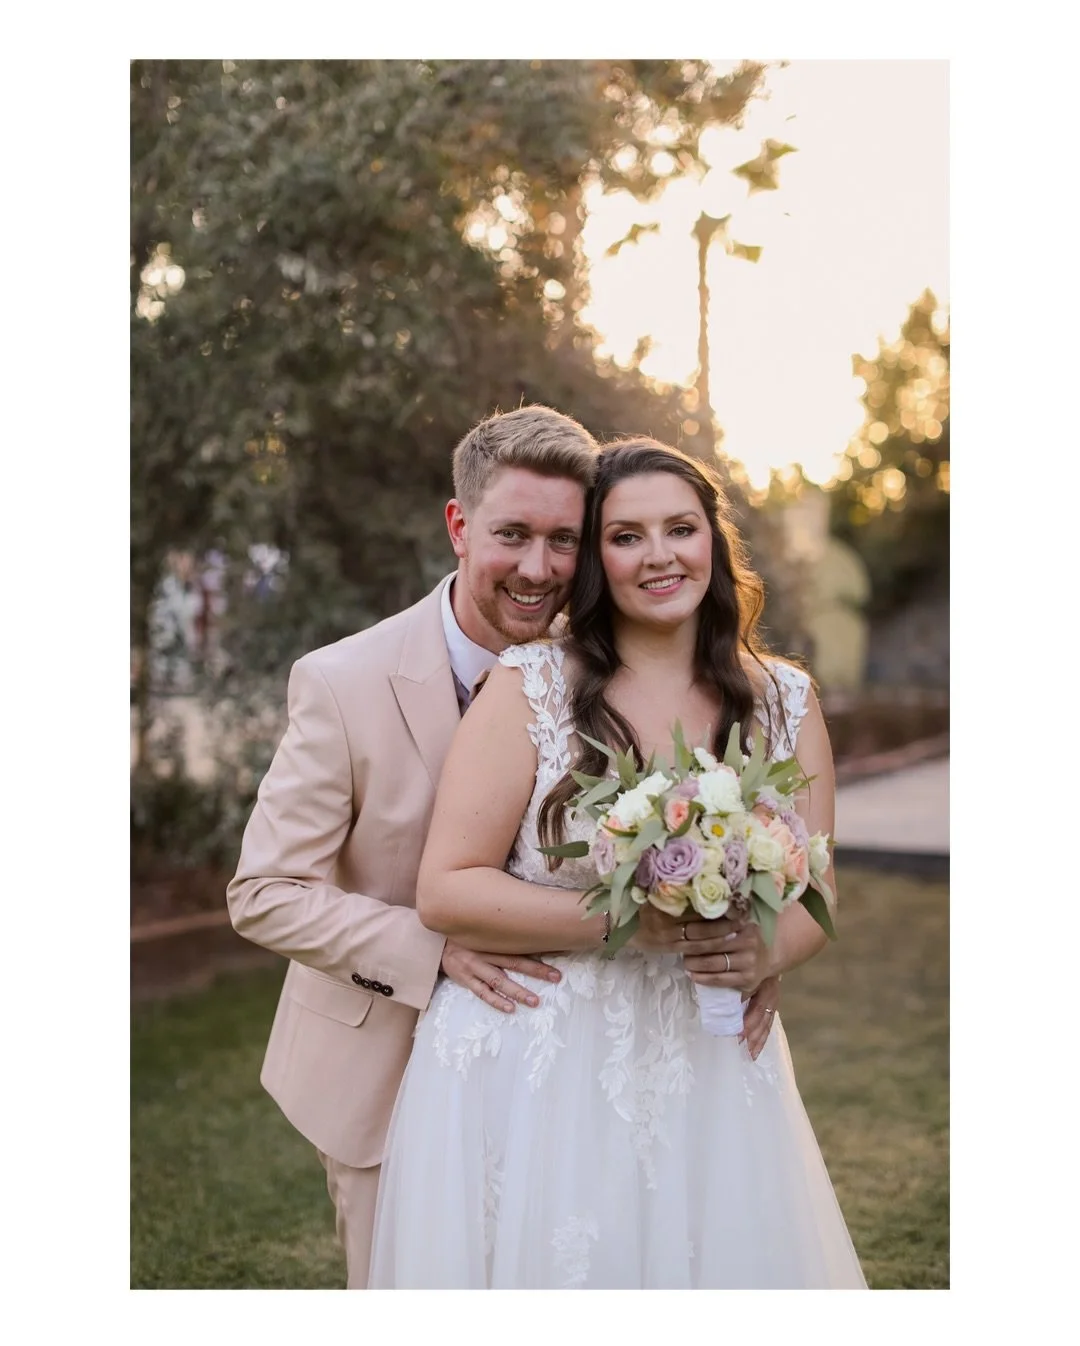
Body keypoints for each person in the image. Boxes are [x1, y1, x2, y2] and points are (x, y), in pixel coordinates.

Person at [227, 408, 784, 1290]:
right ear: (459, 526)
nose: (538, 568)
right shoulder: (341, 681)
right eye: (512, 535)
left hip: (560, 1077)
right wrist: (435, 948)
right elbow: (263, 891)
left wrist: (739, 944)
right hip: (381, 1067)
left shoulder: (609, 681)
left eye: (564, 540)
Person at [367, 438, 866, 1289]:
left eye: (681, 528)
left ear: (714, 539)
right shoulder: (531, 687)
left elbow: (814, 887)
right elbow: (446, 890)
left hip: (708, 1060)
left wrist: (766, 953)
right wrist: (632, 924)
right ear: (598, 559)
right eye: (627, 537)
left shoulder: (784, 699)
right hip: (536, 1063)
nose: (660, 555)